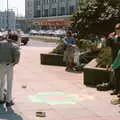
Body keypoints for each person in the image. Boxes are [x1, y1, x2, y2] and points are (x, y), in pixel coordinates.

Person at [0, 33, 20, 107]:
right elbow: (17, 55)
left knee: (1, 82)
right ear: (15, 39)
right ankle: (8, 101)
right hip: (9, 65)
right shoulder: (14, 45)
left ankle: (1, 98)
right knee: (9, 83)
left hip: (0, 65)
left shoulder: (1, 43)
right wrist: (15, 62)